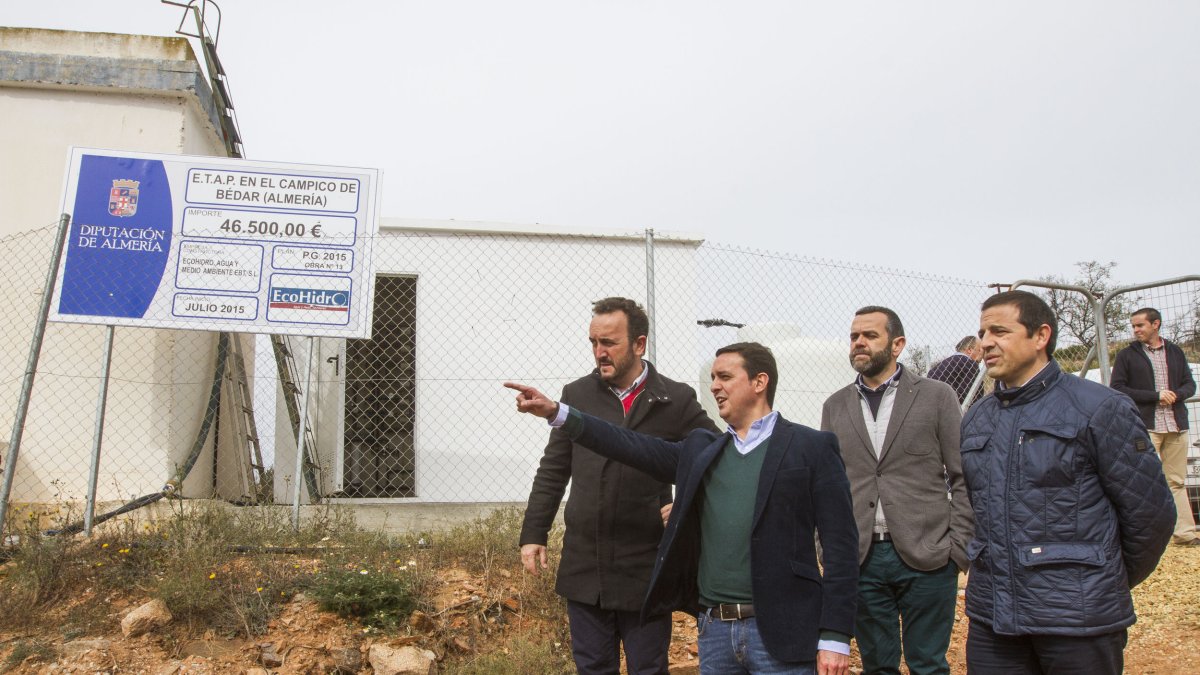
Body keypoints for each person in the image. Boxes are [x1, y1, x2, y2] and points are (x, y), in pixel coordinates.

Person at [508, 342, 859, 675]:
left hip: (782, 632)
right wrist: (558, 413)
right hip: (716, 633)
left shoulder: (811, 448)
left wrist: (836, 636)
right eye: (713, 378)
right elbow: (628, 444)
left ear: (759, 382)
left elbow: (841, 548)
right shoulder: (705, 452)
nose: (715, 386)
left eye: (725, 377)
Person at [959, 291, 1174, 674]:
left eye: (999, 331)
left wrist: (1094, 578)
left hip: (1078, 621)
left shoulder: (1100, 408)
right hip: (994, 618)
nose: (985, 342)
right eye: (982, 332)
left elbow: (1150, 515)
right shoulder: (979, 416)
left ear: (1041, 336)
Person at [518, 297, 718, 675]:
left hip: (644, 566)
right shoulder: (577, 395)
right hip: (585, 564)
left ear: (639, 344)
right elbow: (553, 470)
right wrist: (533, 533)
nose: (599, 352)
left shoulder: (674, 399)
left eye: (609, 342)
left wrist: (689, 505)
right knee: (593, 667)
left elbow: (715, 460)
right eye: (593, 342)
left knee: (648, 667)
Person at [820, 307, 972, 675]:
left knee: (928, 664)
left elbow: (963, 474)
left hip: (930, 555)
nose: (859, 342)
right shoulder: (835, 405)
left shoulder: (937, 396)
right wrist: (826, 548)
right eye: (854, 336)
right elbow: (827, 484)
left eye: (870, 335)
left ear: (897, 344)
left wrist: (958, 547)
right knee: (877, 666)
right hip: (862, 558)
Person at [1110, 307, 1199, 546]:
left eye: (1140, 325)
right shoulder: (1126, 356)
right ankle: (1141, 537)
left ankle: (1185, 534)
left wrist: (1176, 395)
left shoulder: (1175, 352)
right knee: (1139, 482)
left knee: (1176, 481)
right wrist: (1155, 396)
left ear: (1155, 324)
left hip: (1176, 424)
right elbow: (1118, 388)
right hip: (1144, 426)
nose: (1136, 330)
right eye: (1134, 326)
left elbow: (1190, 385)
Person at [927, 335, 983, 404]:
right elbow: (968, 395)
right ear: (969, 350)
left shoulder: (937, 367)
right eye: (979, 350)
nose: (982, 354)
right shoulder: (970, 364)